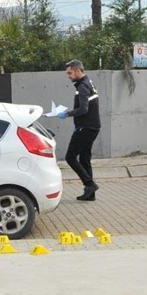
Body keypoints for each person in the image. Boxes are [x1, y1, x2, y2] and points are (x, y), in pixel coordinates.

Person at [58, 60, 101, 201]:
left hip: (86, 128)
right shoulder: (88, 82)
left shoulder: (83, 86)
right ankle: (90, 194)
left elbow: (83, 109)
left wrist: (67, 114)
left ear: (77, 71)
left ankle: (90, 184)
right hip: (92, 127)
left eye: (70, 73)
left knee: (70, 157)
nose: (68, 76)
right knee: (84, 158)